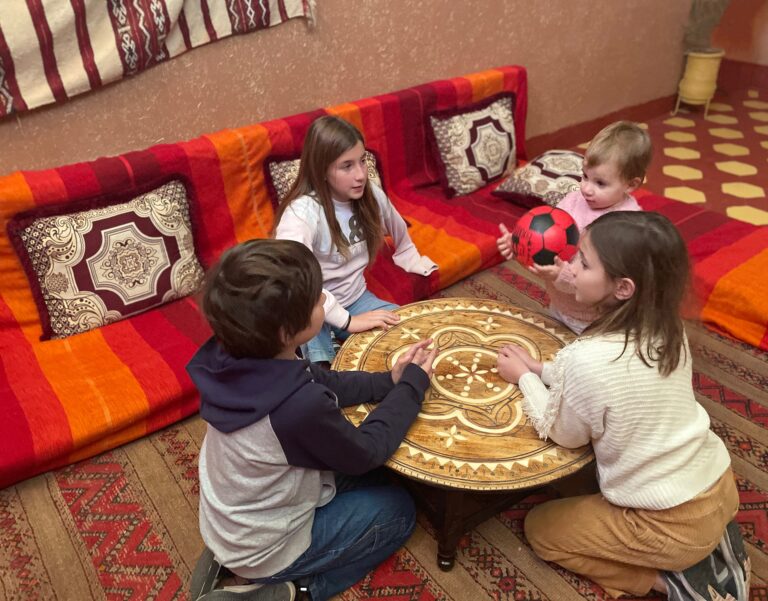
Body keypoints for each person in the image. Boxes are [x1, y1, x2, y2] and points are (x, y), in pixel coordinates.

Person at [496, 211, 748, 600]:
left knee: (541, 529)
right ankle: (709, 548)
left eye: (583, 262)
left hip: (670, 522)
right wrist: (541, 368)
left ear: (624, 287)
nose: (571, 269)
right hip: (718, 484)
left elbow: (563, 433)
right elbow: (601, 385)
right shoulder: (669, 328)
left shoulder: (590, 359)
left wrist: (525, 378)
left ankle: (675, 583)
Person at [187, 238, 438, 601]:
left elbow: (321, 380)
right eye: (316, 298)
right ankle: (297, 591)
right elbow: (366, 452)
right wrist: (412, 387)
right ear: (287, 332)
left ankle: (234, 560)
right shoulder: (297, 407)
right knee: (398, 511)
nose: (324, 299)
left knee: (379, 478)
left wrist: (390, 381)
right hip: (266, 546)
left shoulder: (233, 352)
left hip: (234, 520)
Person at [274, 115, 437, 365]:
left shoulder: (371, 194)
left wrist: (410, 258)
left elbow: (398, 227)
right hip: (310, 308)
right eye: (347, 166)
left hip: (357, 299)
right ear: (322, 170)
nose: (361, 175)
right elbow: (295, 280)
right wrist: (347, 322)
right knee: (326, 374)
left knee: (414, 338)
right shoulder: (302, 212)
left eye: (362, 161)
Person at [497, 120, 651, 333]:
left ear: (631, 184)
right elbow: (547, 237)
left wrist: (563, 275)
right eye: (585, 176)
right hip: (560, 305)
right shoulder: (574, 199)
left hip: (597, 320)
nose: (586, 188)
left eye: (600, 183)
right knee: (550, 348)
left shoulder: (625, 225)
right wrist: (520, 242)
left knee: (581, 364)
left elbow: (603, 282)